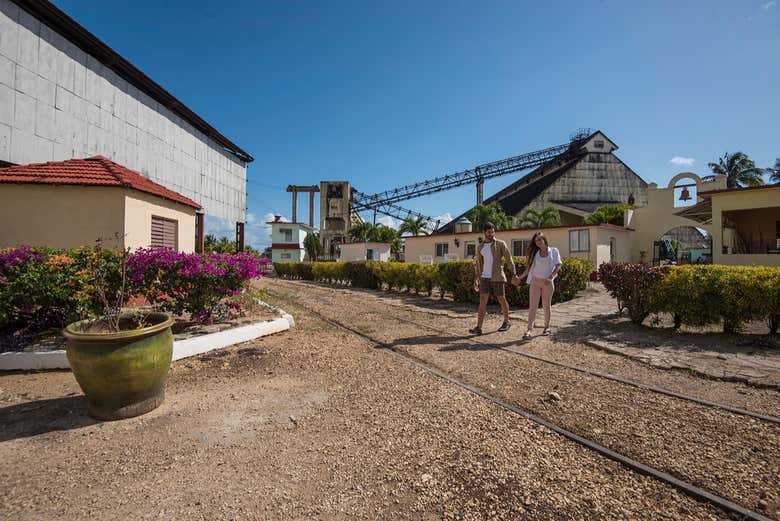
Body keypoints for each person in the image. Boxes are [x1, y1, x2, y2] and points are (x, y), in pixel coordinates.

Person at [469, 222, 516, 335]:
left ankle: (507, 321)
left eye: (493, 232)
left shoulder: (500, 244)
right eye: (489, 232)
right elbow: (478, 264)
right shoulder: (480, 247)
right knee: (482, 302)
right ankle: (478, 328)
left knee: (501, 298)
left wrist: (514, 273)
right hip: (484, 277)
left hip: (497, 277)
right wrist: (476, 278)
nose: (491, 234)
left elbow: (509, 259)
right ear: (484, 232)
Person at [512, 232, 562, 339]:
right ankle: (529, 330)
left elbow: (558, 266)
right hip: (535, 281)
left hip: (547, 283)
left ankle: (547, 327)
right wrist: (519, 278)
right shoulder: (535, 253)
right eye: (536, 241)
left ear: (544, 239)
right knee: (533, 306)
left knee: (546, 306)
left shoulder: (554, 251)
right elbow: (529, 269)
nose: (538, 242)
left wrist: (551, 277)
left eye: (540, 239)